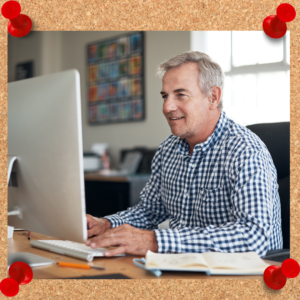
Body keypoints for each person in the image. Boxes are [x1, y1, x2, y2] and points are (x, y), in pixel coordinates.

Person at [85, 51, 283, 257]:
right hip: (183, 268)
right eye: (165, 96)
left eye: (181, 94)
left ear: (213, 97)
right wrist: (106, 223)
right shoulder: (168, 150)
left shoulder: (245, 150)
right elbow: (150, 211)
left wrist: (155, 240)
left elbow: (255, 237)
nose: (167, 107)